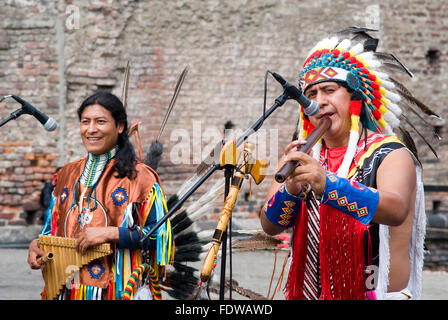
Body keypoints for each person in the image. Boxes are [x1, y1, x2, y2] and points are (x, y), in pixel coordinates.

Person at [260, 27, 433, 300]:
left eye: (329, 90)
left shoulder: (389, 153)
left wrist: (327, 184)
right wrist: (289, 190)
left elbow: (396, 209)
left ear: (354, 98)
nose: (319, 102)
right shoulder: (302, 156)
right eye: (311, 94)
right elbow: (271, 226)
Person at [27, 91, 173, 300]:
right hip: (68, 290)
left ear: (120, 127)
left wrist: (111, 233)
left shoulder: (142, 177)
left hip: (119, 290)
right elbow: (51, 229)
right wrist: (36, 245)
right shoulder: (65, 174)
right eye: (85, 122)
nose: (91, 129)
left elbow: (161, 238)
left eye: (101, 121)